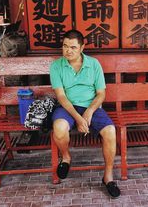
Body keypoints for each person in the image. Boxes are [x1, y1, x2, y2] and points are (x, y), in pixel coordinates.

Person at [50, 29, 121, 198]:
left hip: (92, 107)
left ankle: (108, 176)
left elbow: (101, 94)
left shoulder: (94, 64)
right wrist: (78, 118)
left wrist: (89, 112)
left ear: (82, 47)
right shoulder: (56, 66)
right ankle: (66, 157)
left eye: (73, 47)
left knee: (110, 131)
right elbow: (60, 96)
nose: (68, 50)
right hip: (68, 107)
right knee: (59, 127)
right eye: (65, 46)